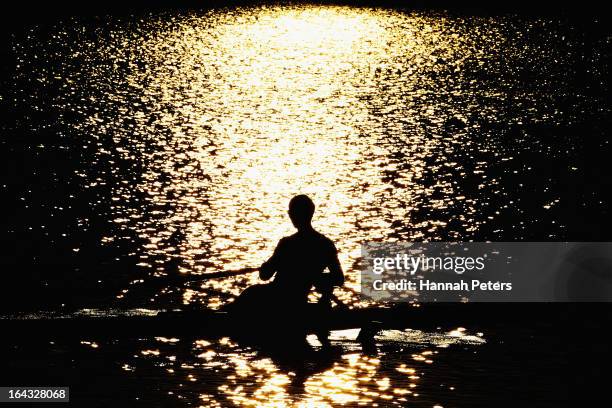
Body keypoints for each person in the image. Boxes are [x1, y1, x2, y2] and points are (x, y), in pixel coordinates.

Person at [229, 195, 344, 316]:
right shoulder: (326, 244)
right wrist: (315, 277)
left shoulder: (287, 243)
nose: (289, 215)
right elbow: (339, 279)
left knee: (248, 295)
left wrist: (265, 266)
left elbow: (265, 275)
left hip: (274, 298)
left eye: (291, 212)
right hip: (299, 300)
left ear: (294, 214)